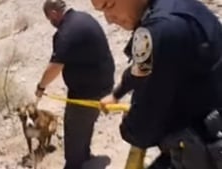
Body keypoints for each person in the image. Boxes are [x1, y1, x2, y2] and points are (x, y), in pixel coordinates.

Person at [92, 0, 222, 168]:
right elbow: (140, 68)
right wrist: (117, 94)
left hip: (203, 148)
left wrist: (128, 126)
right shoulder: (176, 7)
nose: (109, 19)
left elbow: (143, 128)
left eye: (109, 6)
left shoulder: (155, 32)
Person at [35, 0, 115, 168]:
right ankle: (84, 155)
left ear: (53, 13)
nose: (51, 23)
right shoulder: (83, 18)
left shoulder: (66, 32)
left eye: (49, 19)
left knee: (74, 127)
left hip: (87, 90)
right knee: (86, 123)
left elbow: (55, 66)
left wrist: (41, 86)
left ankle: (75, 163)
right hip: (104, 82)